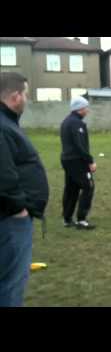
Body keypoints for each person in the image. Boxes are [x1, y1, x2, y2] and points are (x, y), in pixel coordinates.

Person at [0, 72, 49, 307]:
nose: (27, 100)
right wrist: (19, 208)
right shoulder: (2, 125)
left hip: (11, 218)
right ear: (16, 96)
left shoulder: (6, 123)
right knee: (10, 283)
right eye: (26, 94)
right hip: (10, 221)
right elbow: (3, 174)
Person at [60, 96, 96, 229]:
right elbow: (79, 145)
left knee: (71, 188)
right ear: (79, 109)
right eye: (86, 107)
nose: (87, 110)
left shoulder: (66, 121)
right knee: (88, 186)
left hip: (67, 160)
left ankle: (67, 218)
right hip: (76, 161)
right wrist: (90, 161)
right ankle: (81, 219)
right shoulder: (76, 124)